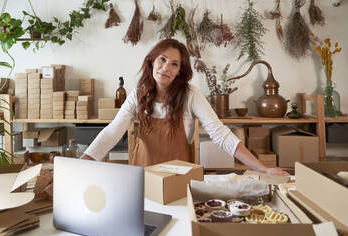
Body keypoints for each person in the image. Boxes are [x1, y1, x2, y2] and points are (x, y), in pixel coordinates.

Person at [80, 39, 289, 176]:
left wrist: (262, 168)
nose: (166, 68)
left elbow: (220, 134)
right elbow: (112, 132)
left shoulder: (191, 95)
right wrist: (84, 162)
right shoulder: (138, 94)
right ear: (152, 62)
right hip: (143, 177)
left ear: (180, 71)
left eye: (174, 64)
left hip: (178, 179)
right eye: (162, 60)